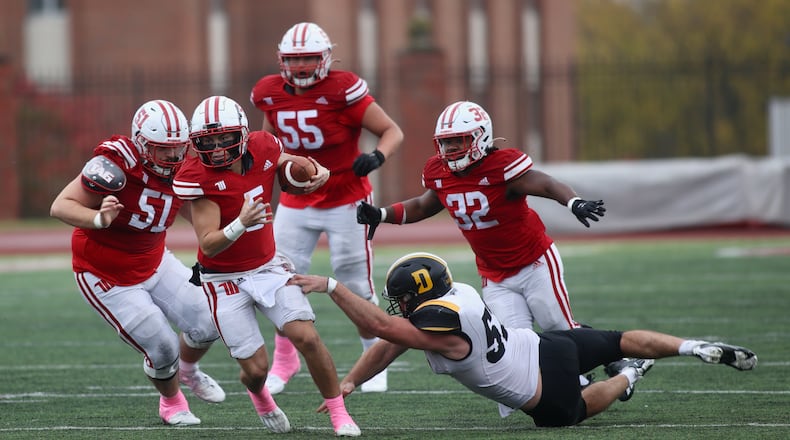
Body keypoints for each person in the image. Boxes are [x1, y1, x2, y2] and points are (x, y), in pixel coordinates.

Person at [290, 252, 758, 427]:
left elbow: (382, 330)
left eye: (404, 298)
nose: (401, 305)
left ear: (421, 295)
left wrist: (332, 286)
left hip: (540, 391)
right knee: (617, 339)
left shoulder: (436, 320)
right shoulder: (461, 292)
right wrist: (351, 382)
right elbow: (390, 345)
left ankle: (629, 378)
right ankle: (690, 346)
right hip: (546, 345)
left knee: (579, 409)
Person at [356, 100, 605, 390]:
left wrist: (573, 201)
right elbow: (424, 206)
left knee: (558, 327)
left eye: (458, 141)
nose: (450, 149)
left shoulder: (501, 166)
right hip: (494, 273)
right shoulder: (440, 171)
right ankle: (576, 381)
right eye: (446, 142)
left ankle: (617, 357)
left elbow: (546, 184)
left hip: (534, 261)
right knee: (517, 345)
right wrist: (382, 214)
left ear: (480, 137)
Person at [172, 95, 361, 436]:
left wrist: (315, 169)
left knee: (306, 337)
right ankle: (260, 397)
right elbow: (209, 243)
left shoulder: (263, 146)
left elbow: (285, 161)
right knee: (257, 370)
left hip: (267, 266)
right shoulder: (197, 176)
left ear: (243, 135)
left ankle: (339, 412)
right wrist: (241, 223)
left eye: (224, 138)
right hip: (223, 277)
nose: (217, 148)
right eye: (208, 141)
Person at [50, 99, 226, 426]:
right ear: (142, 145)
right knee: (163, 347)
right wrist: (98, 218)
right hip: (106, 273)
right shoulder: (116, 164)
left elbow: (191, 210)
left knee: (210, 321)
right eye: (164, 150)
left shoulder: (186, 166)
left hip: (155, 261)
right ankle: (171, 401)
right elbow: (61, 205)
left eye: (178, 149)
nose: (173, 157)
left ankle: (188, 370)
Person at [249, 21, 403, 394]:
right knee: (281, 277)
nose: (301, 65)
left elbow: (392, 131)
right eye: (294, 59)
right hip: (296, 199)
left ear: (325, 58)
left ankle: (372, 356)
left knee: (355, 281)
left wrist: (377, 157)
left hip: (346, 197)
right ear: (282, 60)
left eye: (308, 58)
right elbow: (267, 142)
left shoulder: (342, 88)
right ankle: (286, 359)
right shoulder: (269, 91)